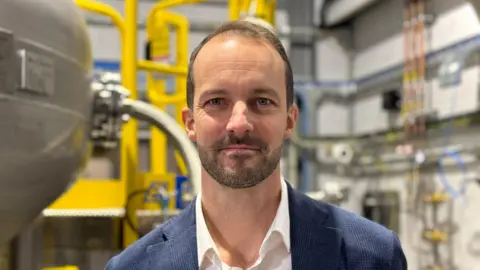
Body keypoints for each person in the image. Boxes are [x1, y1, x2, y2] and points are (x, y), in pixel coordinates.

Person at [106, 19, 408, 270]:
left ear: (290, 120)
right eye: (216, 101)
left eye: (262, 101)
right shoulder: (132, 267)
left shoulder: (373, 256)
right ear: (190, 123)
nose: (239, 123)